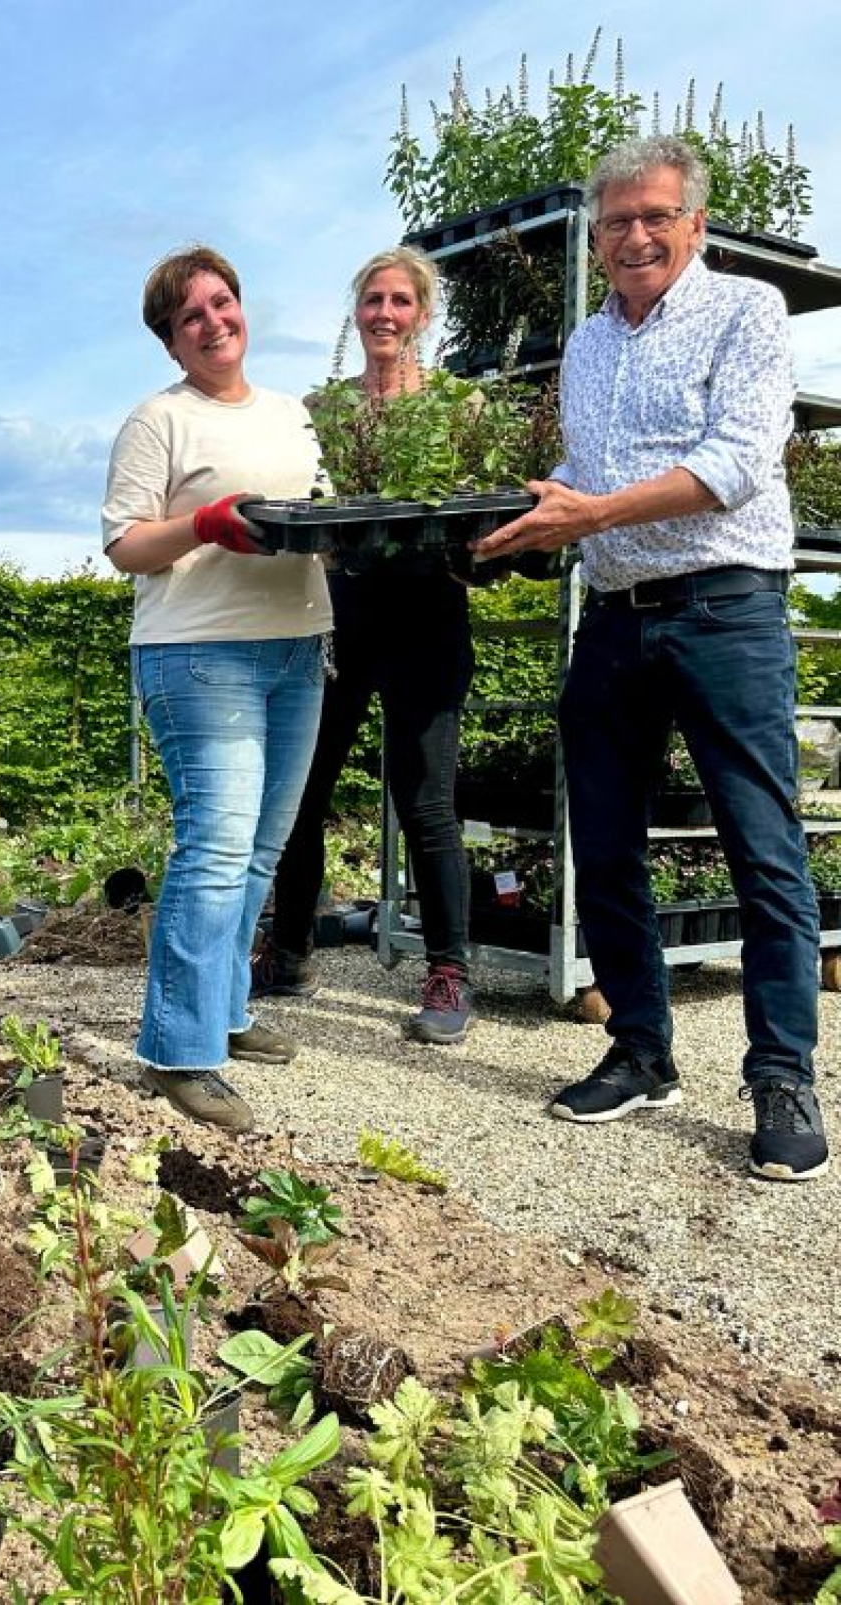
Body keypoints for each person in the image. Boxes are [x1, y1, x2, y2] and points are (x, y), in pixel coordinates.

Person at [473, 134, 825, 1182]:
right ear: (596, 232)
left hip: (724, 610)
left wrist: (591, 509)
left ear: (693, 224)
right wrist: (512, 525)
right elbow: (581, 471)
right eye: (615, 220)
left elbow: (736, 460)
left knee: (761, 848)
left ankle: (779, 1072)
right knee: (605, 843)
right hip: (615, 616)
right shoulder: (586, 344)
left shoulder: (744, 313)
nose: (633, 236)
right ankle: (638, 1048)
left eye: (652, 216)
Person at [102, 246, 331, 1134]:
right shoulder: (158, 421)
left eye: (223, 302)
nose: (213, 321)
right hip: (200, 653)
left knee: (261, 850)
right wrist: (202, 523)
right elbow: (124, 543)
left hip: (297, 646)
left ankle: (225, 1012)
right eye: (190, 315)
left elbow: (322, 511)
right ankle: (178, 1049)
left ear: (244, 308)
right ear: (171, 340)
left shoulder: (294, 414)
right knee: (215, 845)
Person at [256, 248, 476, 1044]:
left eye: (401, 302)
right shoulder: (325, 409)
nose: (385, 314)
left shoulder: (458, 407)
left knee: (426, 801)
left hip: (428, 616)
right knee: (304, 792)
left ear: (423, 314)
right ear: (357, 314)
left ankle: (450, 969)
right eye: (373, 301)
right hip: (341, 612)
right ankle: (288, 952)